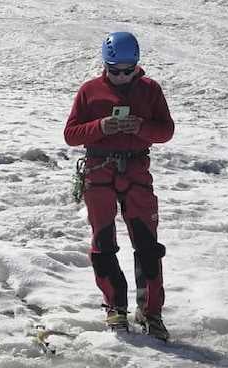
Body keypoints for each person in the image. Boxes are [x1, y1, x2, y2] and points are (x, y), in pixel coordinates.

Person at [64, 31, 175, 340]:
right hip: (99, 173)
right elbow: (71, 134)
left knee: (148, 246)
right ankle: (115, 307)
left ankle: (151, 312)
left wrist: (142, 127)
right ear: (106, 65)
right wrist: (101, 127)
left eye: (129, 70)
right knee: (103, 243)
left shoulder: (150, 90)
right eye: (115, 70)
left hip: (137, 172)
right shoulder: (90, 91)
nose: (123, 76)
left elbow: (166, 131)